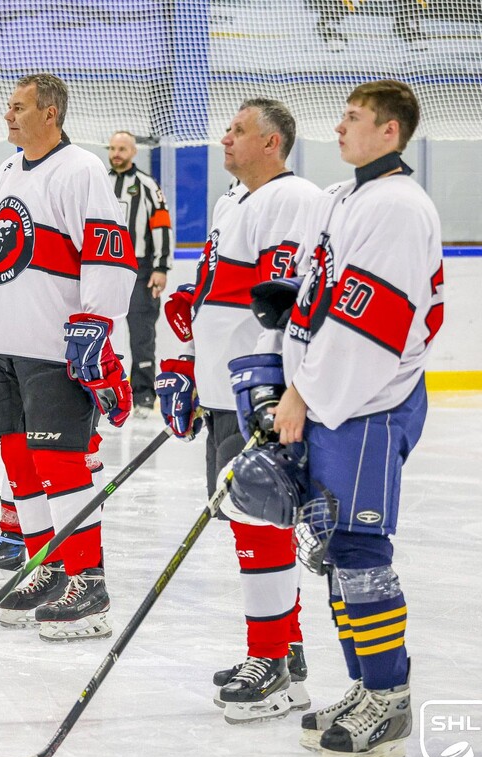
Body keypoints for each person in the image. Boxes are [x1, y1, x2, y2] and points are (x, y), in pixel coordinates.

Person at [267, 79, 442, 757]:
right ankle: (363, 686)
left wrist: (302, 394)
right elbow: (327, 297)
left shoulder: (398, 206)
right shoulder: (347, 198)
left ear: (391, 132)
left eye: (355, 119)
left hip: (367, 404)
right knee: (337, 549)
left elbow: (367, 325)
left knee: (360, 550)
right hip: (333, 400)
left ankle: (388, 702)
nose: (339, 129)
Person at [155, 99, 321, 723]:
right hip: (225, 391)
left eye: (238, 130)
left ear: (273, 142)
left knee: (262, 523)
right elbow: (211, 295)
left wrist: (273, 386)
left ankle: (270, 663)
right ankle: (287, 650)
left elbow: (285, 303)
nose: (225, 138)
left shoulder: (294, 200)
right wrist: (183, 364)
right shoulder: (233, 202)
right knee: (251, 521)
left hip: (258, 394)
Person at [0, 73, 137, 642]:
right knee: (19, 461)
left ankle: (87, 579)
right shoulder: (4, 173)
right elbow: (5, 260)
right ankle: (46, 566)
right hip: (7, 342)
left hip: (54, 343)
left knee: (62, 463)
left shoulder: (82, 170)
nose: (8, 116)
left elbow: (108, 250)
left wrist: (96, 320)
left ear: (50, 113)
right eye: (8, 107)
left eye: (18, 107)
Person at [106, 130, 173, 416]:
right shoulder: (101, 183)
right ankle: (102, 390)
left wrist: (160, 267)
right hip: (105, 267)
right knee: (99, 330)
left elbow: (162, 225)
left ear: (133, 152)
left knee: (141, 333)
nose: (116, 153)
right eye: (112, 148)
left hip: (139, 267)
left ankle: (144, 396)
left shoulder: (146, 184)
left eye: (122, 148)